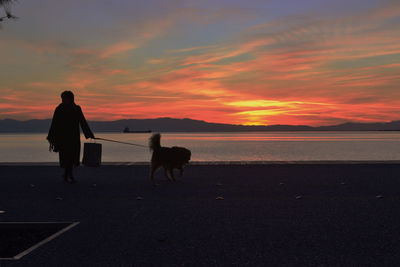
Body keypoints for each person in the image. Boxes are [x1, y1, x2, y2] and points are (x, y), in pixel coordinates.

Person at [47, 91, 95, 183]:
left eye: (65, 98)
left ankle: (67, 175)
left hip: (74, 137)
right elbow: (54, 123)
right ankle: (69, 176)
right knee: (66, 157)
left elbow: (82, 121)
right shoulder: (59, 108)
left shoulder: (76, 108)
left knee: (72, 157)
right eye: (63, 98)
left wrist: (89, 134)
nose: (64, 100)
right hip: (62, 138)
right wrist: (51, 137)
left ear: (71, 98)